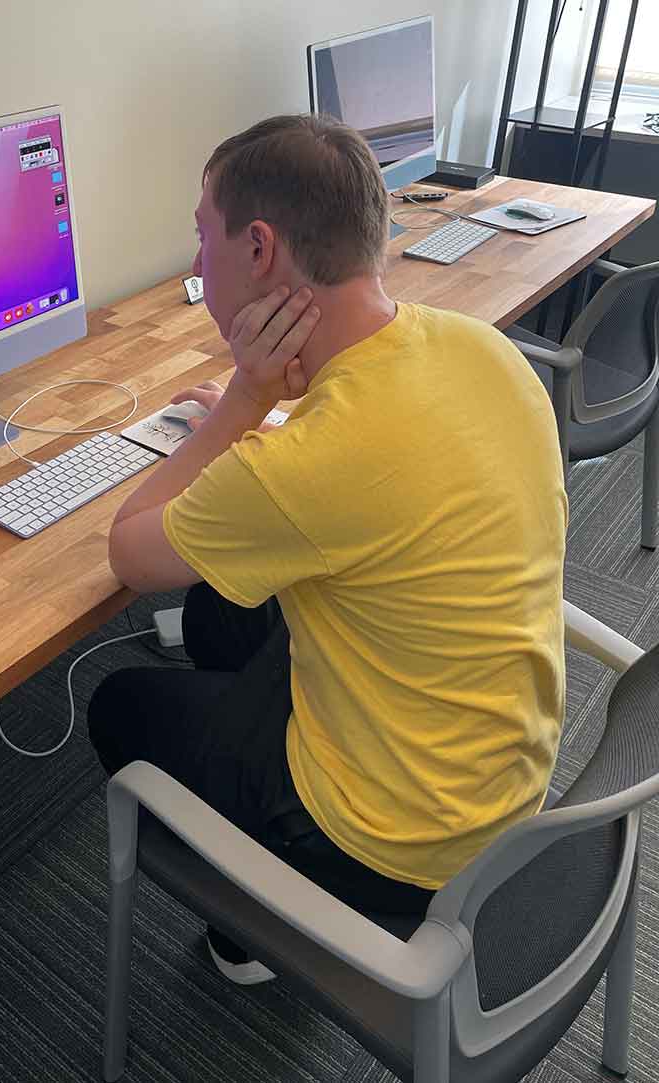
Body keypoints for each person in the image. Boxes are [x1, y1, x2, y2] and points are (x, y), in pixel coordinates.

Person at [87, 114, 567, 984]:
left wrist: (238, 406)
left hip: (393, 842)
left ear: (260, 249)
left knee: (120, 701)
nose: (197, 266)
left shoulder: (302, 467)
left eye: (203, 234)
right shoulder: (477, 348)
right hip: (500, 780)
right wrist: (271, 418)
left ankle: (260, 927)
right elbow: (370, 461)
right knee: (217, 608)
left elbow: (127, 551)